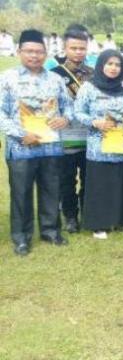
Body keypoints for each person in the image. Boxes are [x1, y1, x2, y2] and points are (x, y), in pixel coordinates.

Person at [0, 29, 73, 256]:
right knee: (21, 193)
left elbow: (68, 105)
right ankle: (21, 237)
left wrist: (65, 118)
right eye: (29, 51)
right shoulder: (7, 79)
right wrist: (20, 134)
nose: (34, 56)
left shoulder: (56, 79)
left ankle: (51, 231)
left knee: (51, 189)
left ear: (46, 53)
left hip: (51, 146)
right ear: (19, 51)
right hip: (22, 148)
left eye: (39, 52)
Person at [74, 50, 123, 240]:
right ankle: (99, 224)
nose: (113, 68)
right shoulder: (89, 88)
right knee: (101, 185)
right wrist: (95, 122)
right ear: (101, 65)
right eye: (109, 64)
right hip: (99, 145)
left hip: (122, 143)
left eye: (117, 65)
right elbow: (78, 112)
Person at [50, 29, 93, 234]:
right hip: (65, 135)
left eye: (82, 48)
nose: (78, 52)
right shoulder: (54, 75)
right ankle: (70, 216)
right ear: (65, 48)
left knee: (88, 177)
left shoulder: (93, 73)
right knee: (66, 179)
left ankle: (87, 212)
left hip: (90, 135)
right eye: (73, 48)